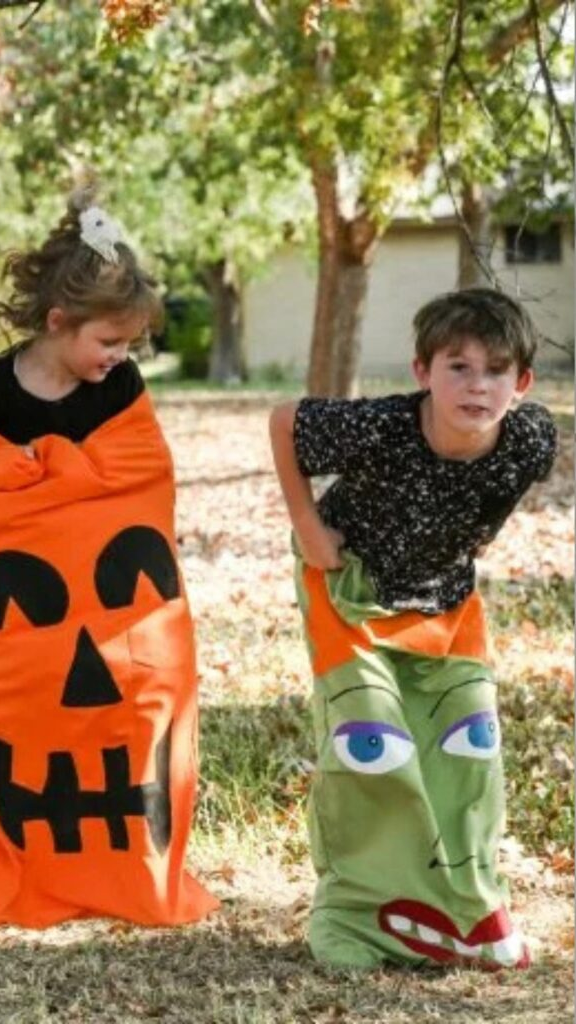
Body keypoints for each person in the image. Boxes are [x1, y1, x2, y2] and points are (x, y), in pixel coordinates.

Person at [0, 187, 218, 936]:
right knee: (23, 722)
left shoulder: (119, 388)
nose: (119, 357)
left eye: (129, 345)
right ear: (58, 322)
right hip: (28, 617)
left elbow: (140, 476)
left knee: (132, 719)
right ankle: (33, 879)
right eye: (109, 341)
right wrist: (41, 471)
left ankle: (130, 874)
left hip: (112, 605)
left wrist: (49, 464)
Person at [269, 287, 557, 970]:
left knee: (469, 746)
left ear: (520, 384)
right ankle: (358, 914)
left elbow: (504, 488)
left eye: (495, 370)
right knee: (374, 744)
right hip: (349, 592)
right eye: (458, 367)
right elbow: (284, 422)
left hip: (445, 605)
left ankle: (465, 910)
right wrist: (308, 527)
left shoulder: (529, 438)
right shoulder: (382, 427)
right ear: (422, 371)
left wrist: (479, 533)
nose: (477, 385)